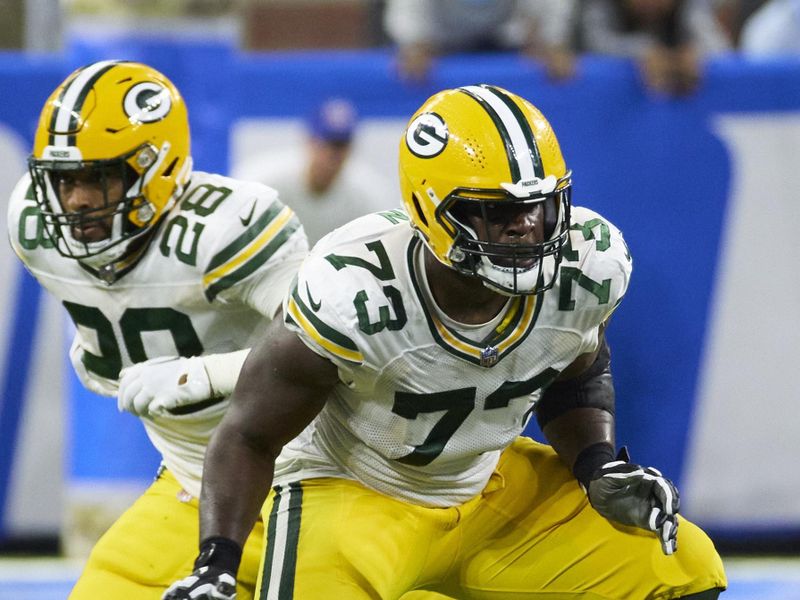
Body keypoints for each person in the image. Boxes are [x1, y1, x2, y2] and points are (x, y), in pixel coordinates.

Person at [165, 84, 728, 599]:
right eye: (497, 212)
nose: (526, 227)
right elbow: (247, 434)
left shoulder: (588, 263)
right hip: (356, 488)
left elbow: (576, 374)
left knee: (680, 569)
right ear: (431, 212)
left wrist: (597, 465)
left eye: (537, 205)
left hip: (490, 487)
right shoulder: (354, 288)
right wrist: (216, 560)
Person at [7, 60, 308, 599]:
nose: (75, 202)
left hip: (313, 479)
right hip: (196, 482)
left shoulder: (227, 231)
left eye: (97, 179)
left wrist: (203, 376)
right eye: (65, 180)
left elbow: (328, 349)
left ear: (155, 168)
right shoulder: (35, 228)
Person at [232, 97, 396, 246]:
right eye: (326, 144)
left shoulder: (366, 194)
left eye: (341, 145)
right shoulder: (268, 180)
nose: (332, 154)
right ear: (309, 141)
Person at [383, 0, 578, 83]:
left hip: (508, 38)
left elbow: (551, 8)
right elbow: (407, 8)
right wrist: (414, 41)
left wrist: (552, 40)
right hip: (443, 40)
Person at [579, 0, 731, 96]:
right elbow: (592, 41)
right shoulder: (602, 6)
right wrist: (642, 51)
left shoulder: (690, 7)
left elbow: (721, 50)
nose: (650, 3)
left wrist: (696, 54)